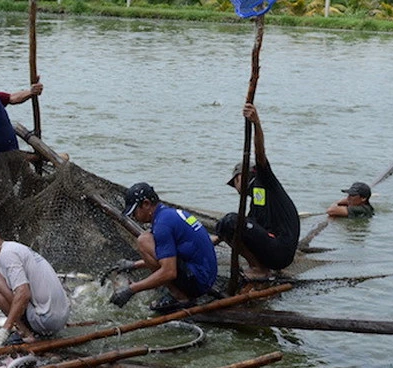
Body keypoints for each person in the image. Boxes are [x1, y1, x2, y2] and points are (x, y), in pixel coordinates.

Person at [213, 103, 300, 280]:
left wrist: (256, 123)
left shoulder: (264, 180)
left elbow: (260, 154)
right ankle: (261, 266)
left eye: (235, 183)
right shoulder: (255, 203)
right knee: (225, 225)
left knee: (231, 221)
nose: (236, 189)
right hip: (274, 249)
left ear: (241, 177)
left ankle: (259, 269)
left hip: (280, 248)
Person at [109, 183, 218, 313]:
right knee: (148, 238)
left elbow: (169, 272)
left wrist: (132, 289)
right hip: (206, 276)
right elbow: (168, 256)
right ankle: (180, 291)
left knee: (144, 240)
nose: (133, 217)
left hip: (198, 282)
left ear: (146, 204)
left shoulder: (162, 225)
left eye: (134, 211)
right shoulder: (169, 214)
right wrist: (134, 265)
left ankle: (180, 298)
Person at [0, 217, 70, 349]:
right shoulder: (13, 249)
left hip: (46, 321)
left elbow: (23, 293)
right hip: (60, 317)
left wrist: (4, 331)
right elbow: (0, 295)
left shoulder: (7, 255)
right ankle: (12, 328)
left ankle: (26, 334)